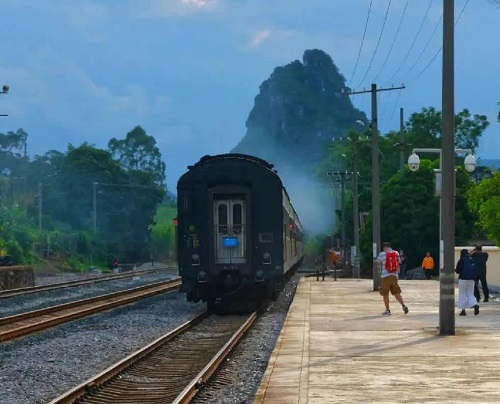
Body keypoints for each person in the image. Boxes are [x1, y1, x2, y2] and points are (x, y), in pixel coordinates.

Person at [377, 242, 409, 316]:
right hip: (394, 276)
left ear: (384, 247)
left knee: (385, 293)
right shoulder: (396, 253)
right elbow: (399, 262)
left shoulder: (382, 254)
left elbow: (378, 262)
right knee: (396, 292)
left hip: (385, 276)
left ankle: (387, 310)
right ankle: (403, 305)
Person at [455, 248, 479, 316]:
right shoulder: (471, 259)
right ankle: (475, 304)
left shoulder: (461, 260)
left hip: (463, 279)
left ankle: (463, 311)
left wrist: (455, 270)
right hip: (471, 279)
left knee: (462, 294)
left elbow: (458, 271)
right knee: (470, 294)